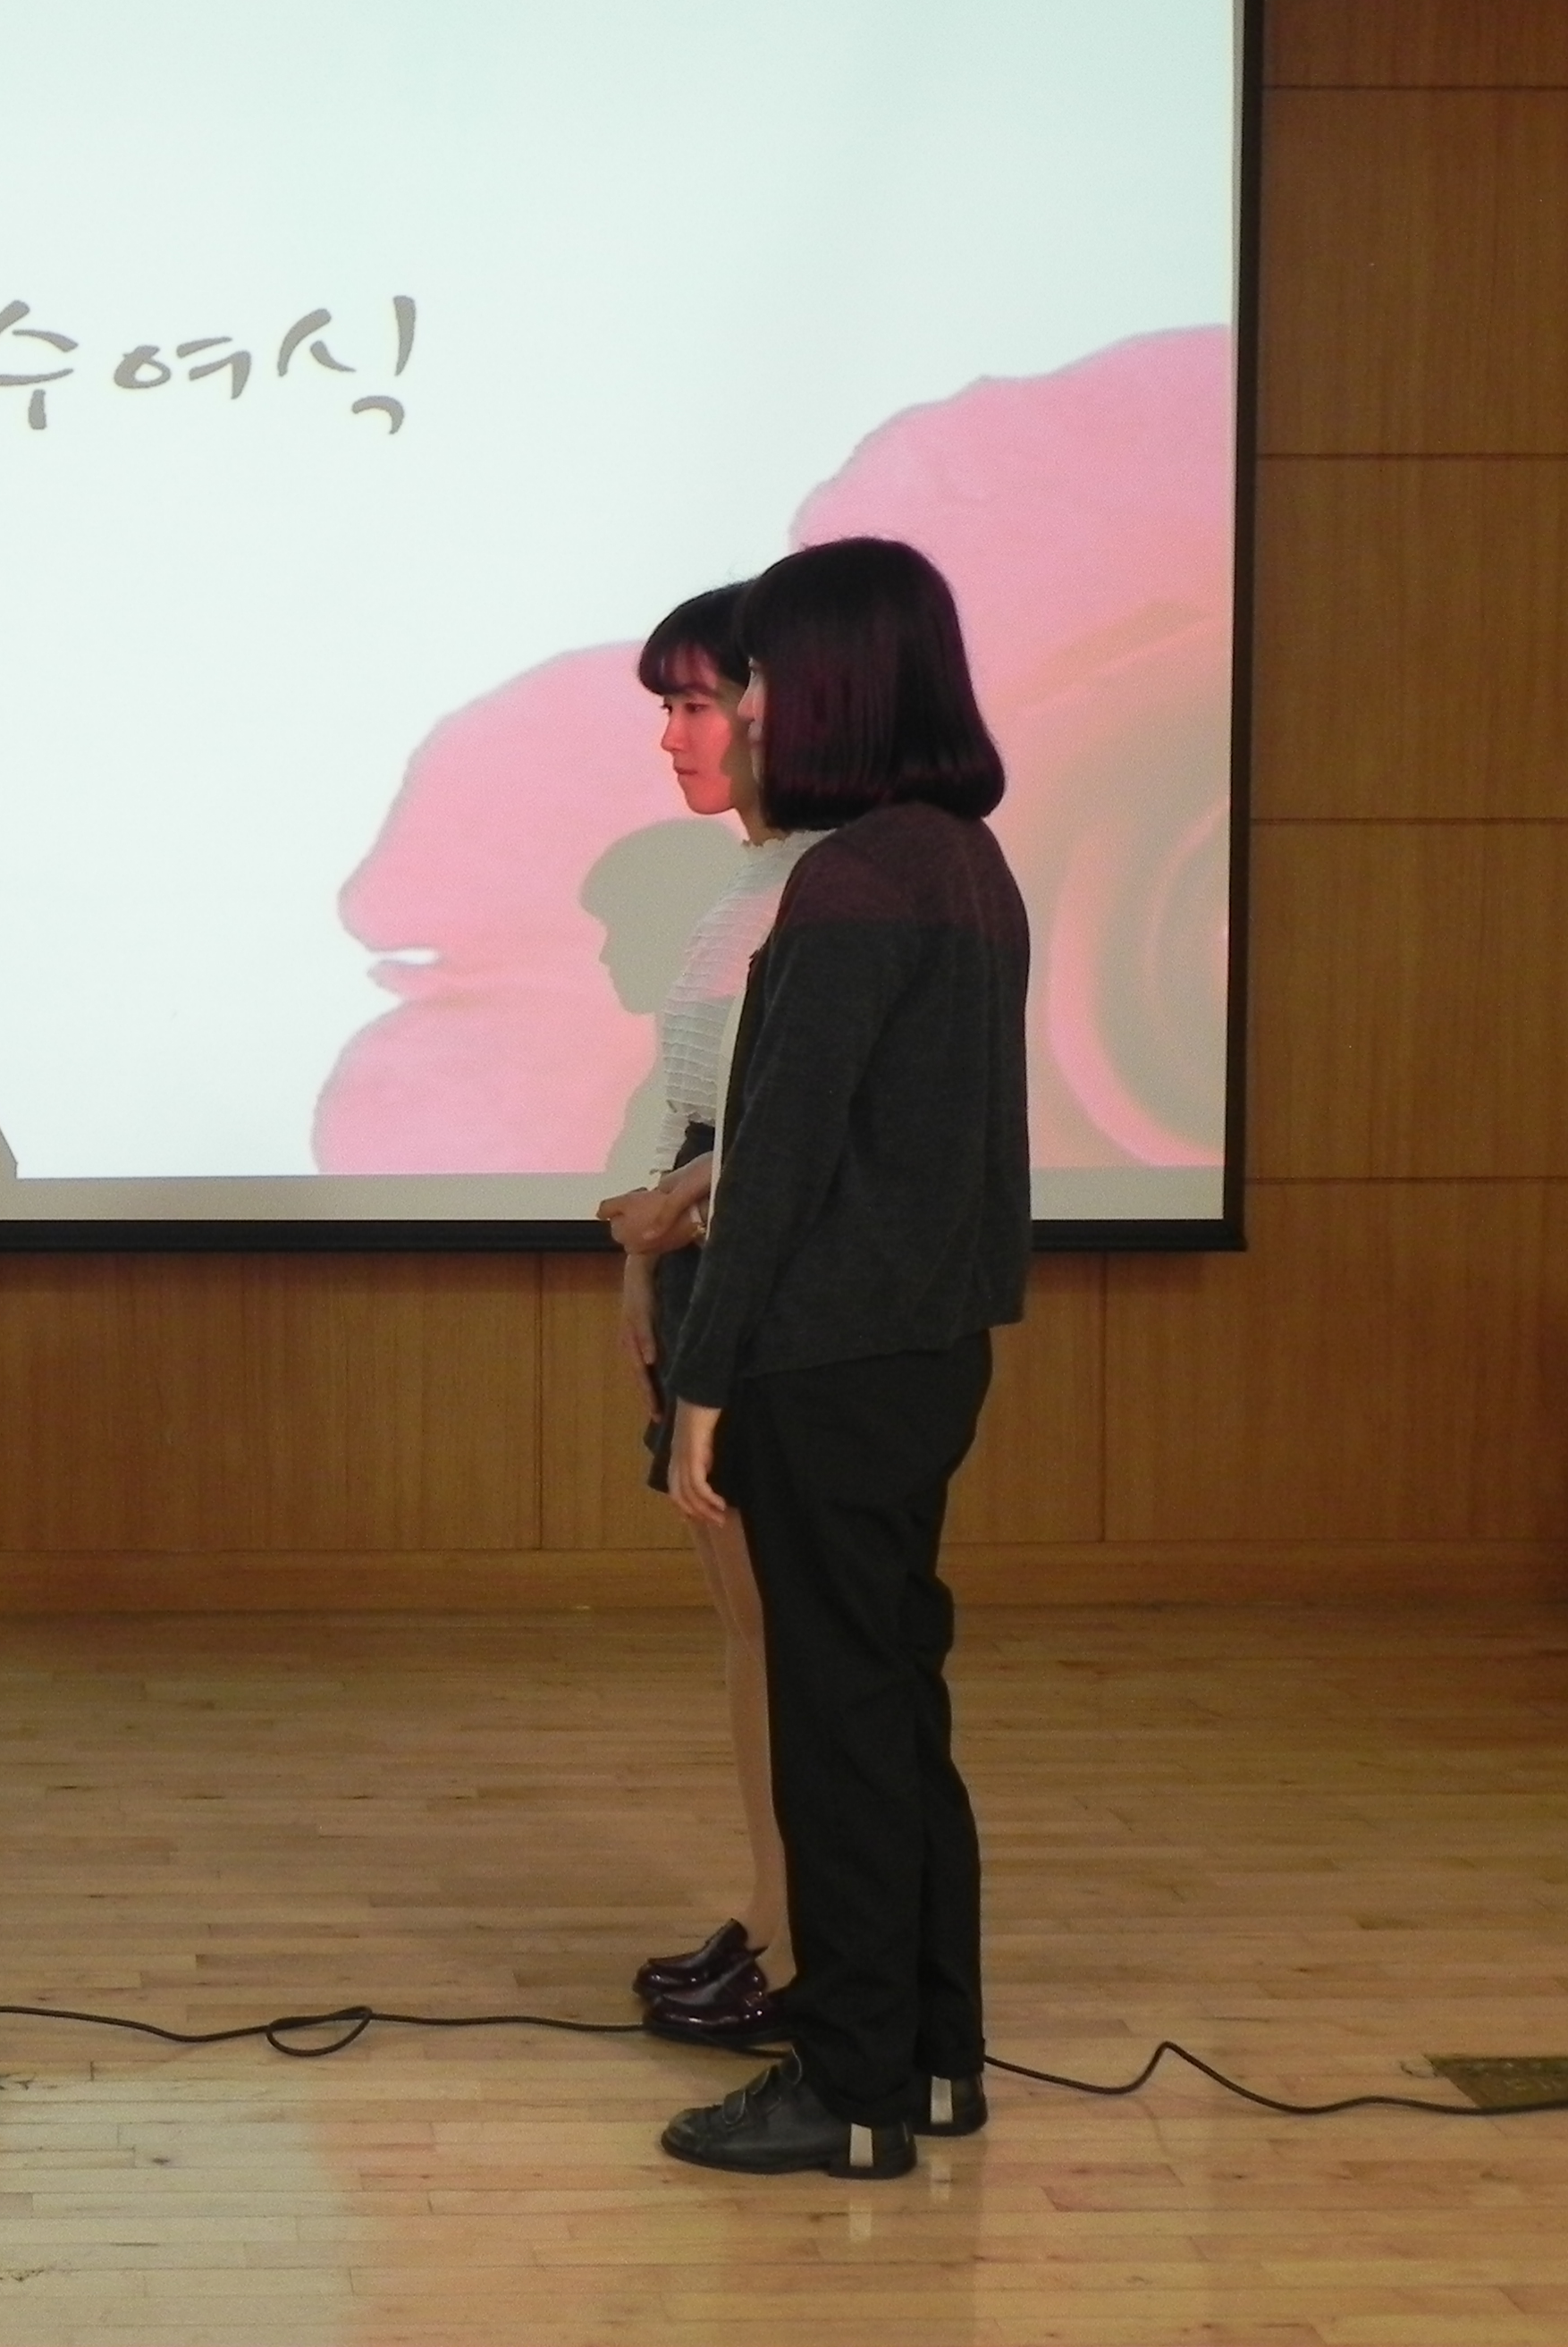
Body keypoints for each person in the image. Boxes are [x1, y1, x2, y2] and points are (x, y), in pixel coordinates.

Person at [653, 537, 1028, 2181]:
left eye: (759, 678)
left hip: (823, 1361)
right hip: (925, 1352)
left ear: (838, 684)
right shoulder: (963, 859)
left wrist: (702, 1385)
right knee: (894, 1708)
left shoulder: (855, 878)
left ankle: (851, 2089)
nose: (745, 710)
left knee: (839, 1728)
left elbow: (782, 1162)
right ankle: (933, 2061)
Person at [594, 584, 826, 2050]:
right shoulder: (741, 885)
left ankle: (803, 1942)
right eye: (668, 707)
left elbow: (799, 1129)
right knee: (750, 1634)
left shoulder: (828, 885)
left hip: (775, 1298)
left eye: (695, 704)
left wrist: (676, 1214)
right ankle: (773, 1912)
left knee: (790, 1639)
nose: (674, 736)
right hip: (701, 1272)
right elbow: (698, 1106)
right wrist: (643, 1245)